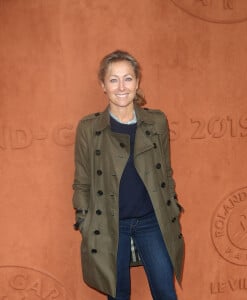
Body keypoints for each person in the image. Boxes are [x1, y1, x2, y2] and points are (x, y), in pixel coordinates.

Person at [72, 50, 184, 300]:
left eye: (128, 78)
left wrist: (172, 206)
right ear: (103, 85)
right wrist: (85, 221)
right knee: (118, 294)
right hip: (110, 224)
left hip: (152, 220)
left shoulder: (156, 122)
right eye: (113, 80)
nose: (121, 87)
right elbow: (82, 181)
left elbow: (165, 171)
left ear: (137, 82)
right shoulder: (90, 129)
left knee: (166, 292)